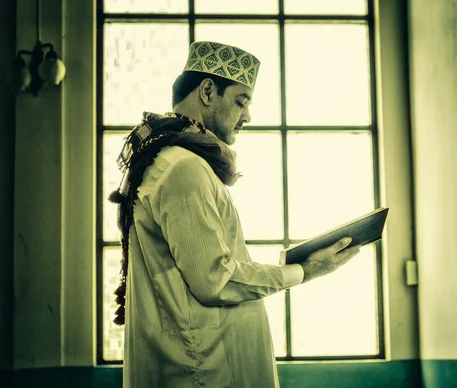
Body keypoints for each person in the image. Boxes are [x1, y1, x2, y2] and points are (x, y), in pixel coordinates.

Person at [108, 41, 362, 388]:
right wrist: (306, 269)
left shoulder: (170, 160)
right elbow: (217, 281)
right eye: (241, 101)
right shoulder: (183, 169)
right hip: (205, 372)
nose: (248, 116)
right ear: (208, 92)